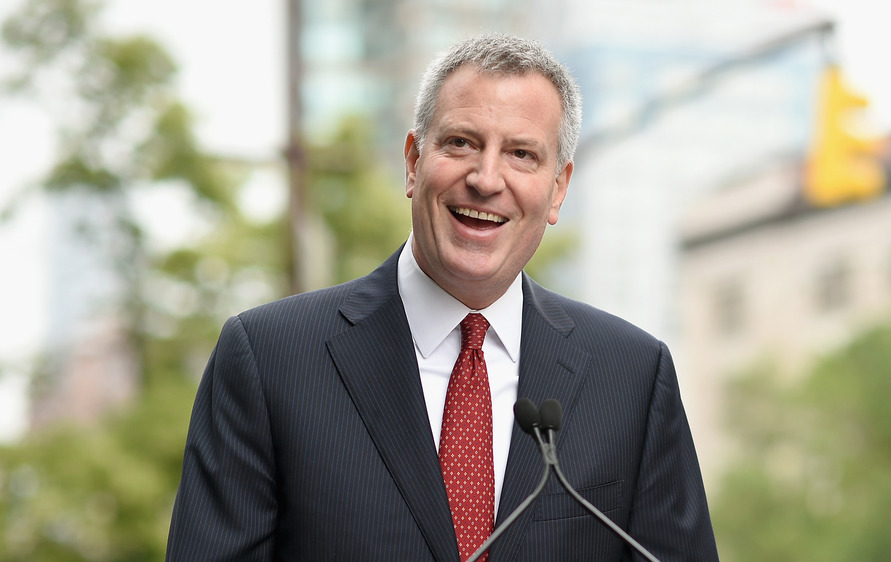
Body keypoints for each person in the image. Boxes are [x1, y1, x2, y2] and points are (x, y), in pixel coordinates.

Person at [166, 33, 718, 561]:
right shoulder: (267, 360)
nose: (485, 178)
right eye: (462, 143)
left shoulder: (633, 377)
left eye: (522, 154)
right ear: (412, 161)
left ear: (558, 189)